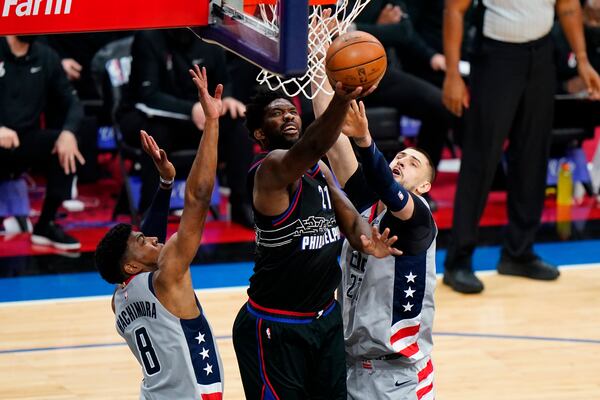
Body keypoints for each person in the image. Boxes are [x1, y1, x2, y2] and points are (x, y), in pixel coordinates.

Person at [231, 81, 402, 399]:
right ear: (259, 134)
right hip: (276, 327)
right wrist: (342, 96)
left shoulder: (318, 168)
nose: (288, 116)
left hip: (325, 319)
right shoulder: (268, 170)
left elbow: (349, 217)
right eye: (276, 113)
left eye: (291, 110)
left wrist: (368, 238)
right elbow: (311, 145)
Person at [442, 0, 600, 293]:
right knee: (481, 156)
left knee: (532, 153)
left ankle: (519, 252)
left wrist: (582, 59)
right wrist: (452, 73)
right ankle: (458, 260)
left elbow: (567, 7)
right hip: (496, 56)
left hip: (541, 55)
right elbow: (454, 10)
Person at [94, 65, 223, 399]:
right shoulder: (169, 276)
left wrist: (165, 183)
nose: (154, 239)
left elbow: (142, 252)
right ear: (132, 266)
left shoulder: (119, 299)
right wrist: (212, 123)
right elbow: (197, 198)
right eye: (143, 241)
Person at [312, 74, 437, 398]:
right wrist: (319, 68)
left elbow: (388, 188)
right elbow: (333, 144)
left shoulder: (418, 217)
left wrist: (366, 141)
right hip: (350, 364)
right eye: (399, 158)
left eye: (413, 164)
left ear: (424, 186)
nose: (402, 162)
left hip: (398, 378)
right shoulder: (366, 204)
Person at [120, 28, 254, 226]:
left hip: (199, 117)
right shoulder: (148, 38)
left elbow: (223, 81)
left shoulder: (211, 36)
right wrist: (191, 109)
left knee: (238, 126)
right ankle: (150, 209)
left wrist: (227, 99)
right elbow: (147, 95)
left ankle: (241, 203)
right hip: (153, 116)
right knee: (157, 132)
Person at [347, 0, 454, 209]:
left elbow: (403, 31)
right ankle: (350, 192)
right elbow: (324, 33)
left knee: (442, 106)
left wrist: (355, 29)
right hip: (335, 74)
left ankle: (417, 185)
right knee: (309, 118)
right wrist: (379, 27)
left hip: (379, 72)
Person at [0, 35, 84, 250]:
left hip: (24, 140)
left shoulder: (46, 56)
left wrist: (68, 132)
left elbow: (73, 102)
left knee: (66, 142)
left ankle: (46, 224)